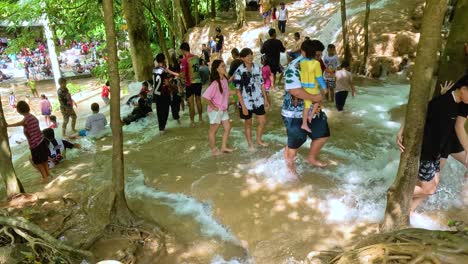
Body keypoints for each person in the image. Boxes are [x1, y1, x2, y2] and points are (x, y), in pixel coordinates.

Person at [397, 78, 468, 212]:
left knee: (430, 187)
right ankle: (396, 192)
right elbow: (419, 113)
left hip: (438, 151)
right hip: (428, 152)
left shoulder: (458, 102)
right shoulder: (441, 103)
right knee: (428, 189)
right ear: (463, 89)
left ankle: (407, 212)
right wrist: (402, 129)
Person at [282, 39, 330, 175]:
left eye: (320, 55)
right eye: (317, 55)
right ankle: (290, 173)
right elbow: (294, 91)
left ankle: (311, 158)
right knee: (296, 141)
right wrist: (316, 97)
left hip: (314, 109)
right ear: (305, 52)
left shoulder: (314, 64)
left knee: (322, 134)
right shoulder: (294, 67)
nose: (319, 58)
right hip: (294, 112)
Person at [233, 48, 269, 150]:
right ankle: (250, 144)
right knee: (248, 123)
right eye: (247, 56)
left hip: (258, 99)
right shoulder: (239, 71)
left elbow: (262, 84)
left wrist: (265, 98)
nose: (250, 57)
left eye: (251, 55)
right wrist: (243, 106)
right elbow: (237, 91)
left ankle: (258, 140)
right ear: (242, 58)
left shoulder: (257, 67)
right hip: (246, 102)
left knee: (262, 121)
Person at [6, 101, 51, 181]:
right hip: (42, 141)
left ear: (19, 111)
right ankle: (49, 177)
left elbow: (20, 123)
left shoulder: (26, 119)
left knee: (38, 163)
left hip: (36, 145)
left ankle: (45, 179)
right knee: (44, 161)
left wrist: (8, 125)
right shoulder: (32, 117)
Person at [202, 60, 234, 155]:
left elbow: (227, 93)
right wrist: (213, 106)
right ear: (217, 69)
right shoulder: (215, 83)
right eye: (222, 66)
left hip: (223, 109)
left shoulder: (224, 79)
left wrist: (237, 91)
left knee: (227, 128)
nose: (225, 67)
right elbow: (205, 97)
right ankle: (213, 150)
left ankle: (223, 147)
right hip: (215, 111)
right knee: (213, 131)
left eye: (224, 66)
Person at [299, 43, 328, 133]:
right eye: (318, 55)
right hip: (313, 87)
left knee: (307, 106)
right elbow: (319, 77)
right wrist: (324, 87)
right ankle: (310, 116)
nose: (320, 57)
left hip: (304, 88)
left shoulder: (302, 62)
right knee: (317, 100)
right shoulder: (316, 63)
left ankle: (304, 123)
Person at [153, 53, 180, 134]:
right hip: (164, 93)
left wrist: (176, 74)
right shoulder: (163, 71)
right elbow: (167, 83)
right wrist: (173, 87)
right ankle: (163, 128)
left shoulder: (154, 69)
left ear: (157, 61)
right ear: (164, 60)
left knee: (159, 111)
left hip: (156, 93)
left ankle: (160, 128)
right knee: (165, 110)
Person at [180, 42, 203, 125]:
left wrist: (178, 76)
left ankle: (192, 122)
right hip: (198, 82)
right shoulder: (196, 57)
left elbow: (182, 75)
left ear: (183, 50)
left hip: (190, 84)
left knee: (191, 103)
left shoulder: (184, 60)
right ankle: (200, 118)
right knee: (198, 101)